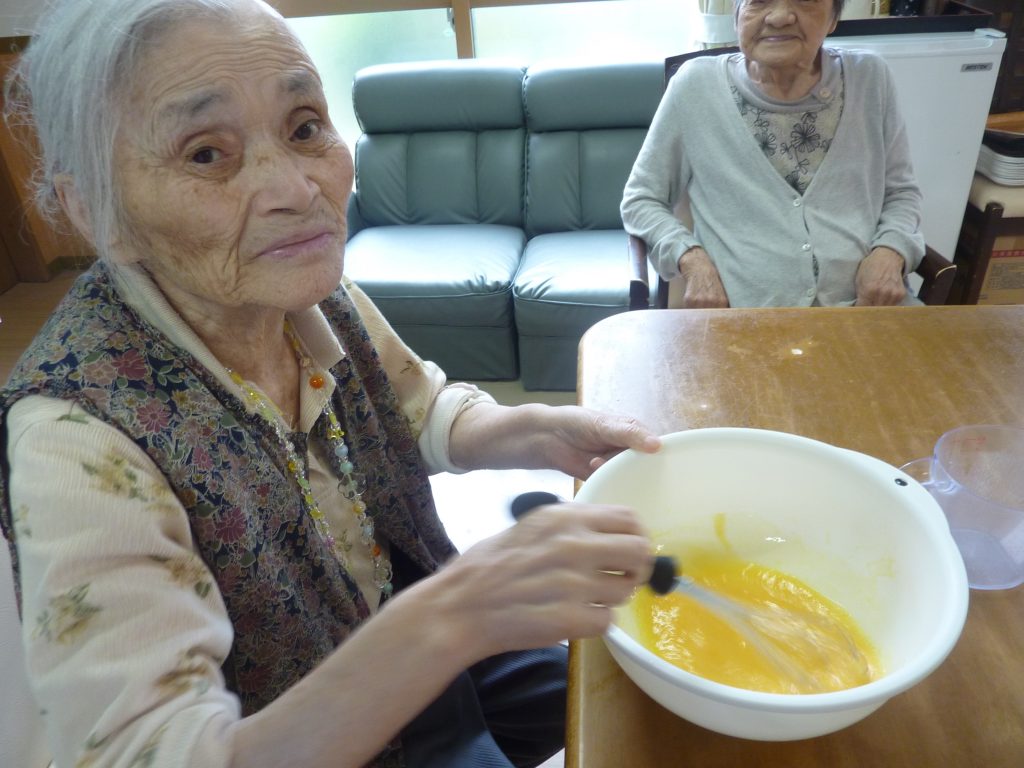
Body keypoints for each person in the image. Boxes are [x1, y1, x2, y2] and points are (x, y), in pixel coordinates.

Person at [0, 1, 662, 766]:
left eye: (305, 126)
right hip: (310, 724)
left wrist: (536, 432)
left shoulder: (306, 288)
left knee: (628, 692)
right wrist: (456, 614)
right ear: (95, 211)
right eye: (207, 154)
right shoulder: (74, 441)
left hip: (411, 617)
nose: (298, 187)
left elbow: (419, 407)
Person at [621, 0, 926, 308]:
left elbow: (901, 194)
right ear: (737, 15)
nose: (780, 16)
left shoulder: (870, 77)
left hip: (867, 311)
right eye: (759, 0)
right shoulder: (696, 86)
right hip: (748, 320)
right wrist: (692, 261)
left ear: (834, 18)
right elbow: (641, 200)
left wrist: (890, 251)